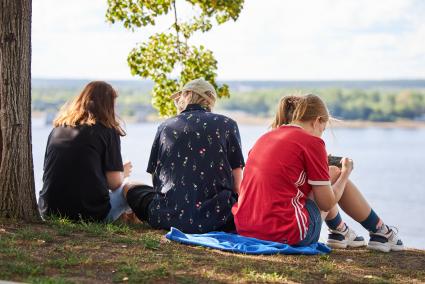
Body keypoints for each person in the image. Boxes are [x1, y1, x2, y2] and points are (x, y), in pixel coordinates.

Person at [232, 94, 403, 252]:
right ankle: (381, 231)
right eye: (323, 128)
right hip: (286, 234)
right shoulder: (312, 142)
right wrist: (344, 174)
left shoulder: (265, 138)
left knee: (321, 179)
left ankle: (340, 231)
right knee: (334, 173)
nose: (322, 133)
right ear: (317, 121)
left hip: (247, 228)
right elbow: (326, 203)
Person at [124, 78, 245, 233]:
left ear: (187, 95)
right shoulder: (228, 124)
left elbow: (156, 180)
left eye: (180, 96)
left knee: (130, 187)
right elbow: (237, 185)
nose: (178, 101)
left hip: (167, 217)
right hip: (219, 218)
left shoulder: (165, 126)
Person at [38, 81, 133, 222]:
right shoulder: (107, 131)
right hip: (89, 215)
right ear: (108, 105)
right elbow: (115, 184)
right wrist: (123, 173)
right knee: (130, 189)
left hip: (49, 210)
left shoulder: (57, 129)